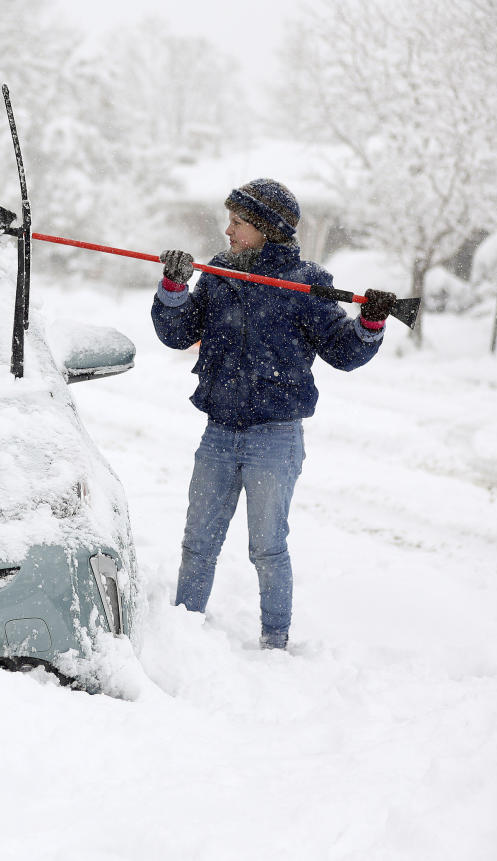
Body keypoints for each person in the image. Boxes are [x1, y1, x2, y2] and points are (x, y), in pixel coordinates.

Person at [151, 178, 395, 650]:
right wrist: (174, 288)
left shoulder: (305, 284)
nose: (228, 230)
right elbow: (179, 334)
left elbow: (343, 352)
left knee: (267, 548)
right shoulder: (220, 272)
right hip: (219, 431)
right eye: (230, 220)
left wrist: (370, 322)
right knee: (197, 544)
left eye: (239, 222)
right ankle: (182, 638)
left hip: (275, 437)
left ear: (267, 228)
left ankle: (275, 641)